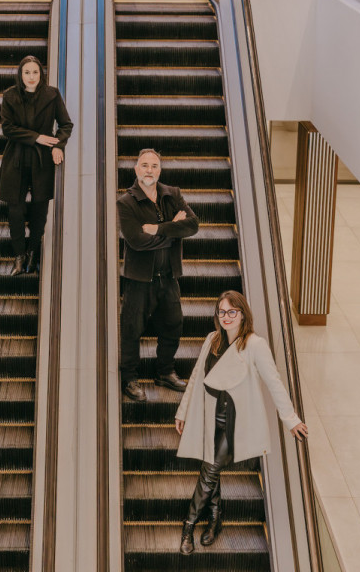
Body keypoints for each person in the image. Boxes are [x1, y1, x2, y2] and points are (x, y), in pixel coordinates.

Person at [174, 290, 309, 555]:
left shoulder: (254, 345)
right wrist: (183, 411)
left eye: (231, 312)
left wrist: (291, 419)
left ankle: (188, 525)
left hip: (233, 422)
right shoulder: (212, 339)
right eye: (221, 312)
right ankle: (215, 520)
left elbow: (274, 383)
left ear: (243, 314)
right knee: (210, 469)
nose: (226, 317)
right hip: (207, 415)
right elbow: (196, 375)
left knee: (210, 469)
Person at [117, 149, 199, 402]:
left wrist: (158, 229)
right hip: (139, 279)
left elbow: (193, 225)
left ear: (159, 170)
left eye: (154, 165)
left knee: (173, 326)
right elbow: (137, 242)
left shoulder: (171, 194)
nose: (149, 170)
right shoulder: (126, 203)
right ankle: (130, 378)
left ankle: (165, 372)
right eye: (144, 165)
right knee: (132, 330)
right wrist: (173, 231)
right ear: (136, 169)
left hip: (169, 277)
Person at [0, 55, 73, 276]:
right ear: (21, 75)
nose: (31, 77)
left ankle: (33, 254)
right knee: (15, 209)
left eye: (35, 72)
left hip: (43, 159)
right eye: (27, 73)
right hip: (16, 157)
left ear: (41, 74)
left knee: (40, 208)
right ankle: (19, 257)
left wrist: (58, 145)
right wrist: (37, 137)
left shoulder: (51, 94)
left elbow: (66, 123)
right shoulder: (9, 96)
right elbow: (7, 128)